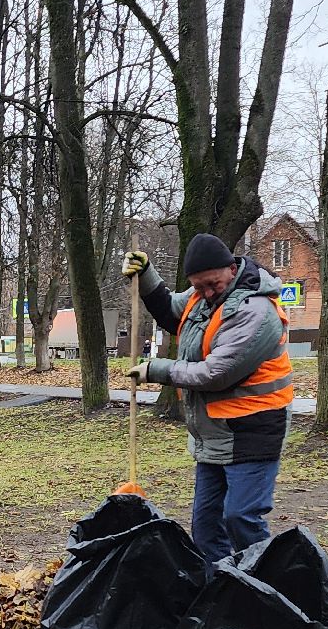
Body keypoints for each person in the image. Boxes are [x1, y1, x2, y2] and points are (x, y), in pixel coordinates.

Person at [121, 233, 292, 561]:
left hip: (252, 430)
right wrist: (146, 275)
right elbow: (172, 311)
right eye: (199, 287)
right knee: (205, 527)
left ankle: (270, 587)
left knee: (240, 518)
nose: (207, 292)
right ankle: (221, 592)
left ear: (231, 269)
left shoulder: (256, 311)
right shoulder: (202, 297)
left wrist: (157, 370)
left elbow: (215, 374)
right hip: (214, 432)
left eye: (213, 284)